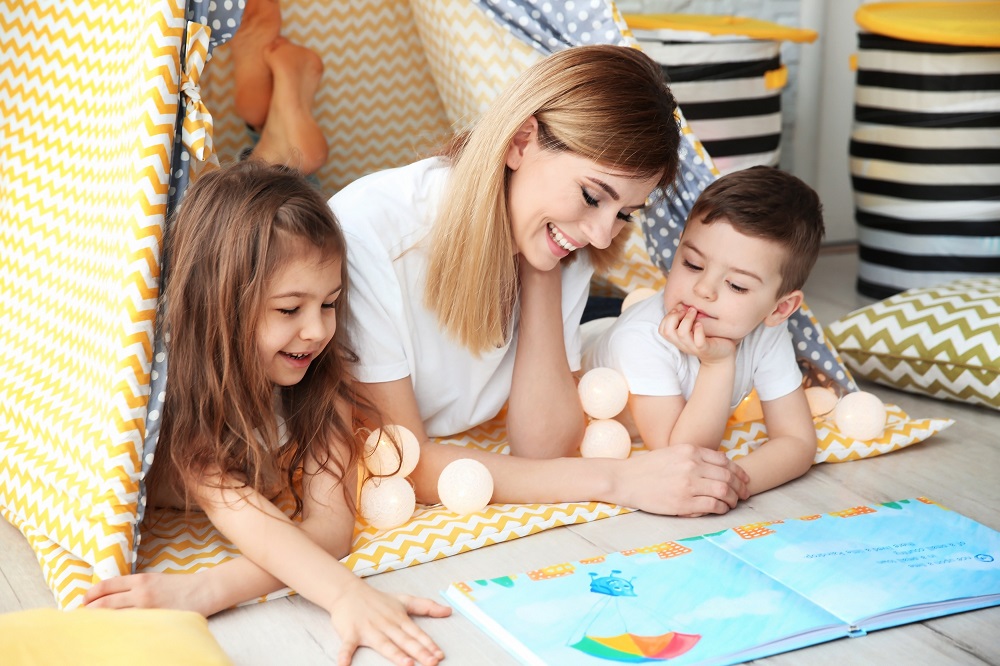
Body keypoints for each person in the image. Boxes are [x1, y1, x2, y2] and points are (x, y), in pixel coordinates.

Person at [330, 44, 750, 518]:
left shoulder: (567, 241)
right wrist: (621, 480)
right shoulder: (370, 233)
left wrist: (542, 268)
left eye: (625, 214)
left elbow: (545, 447)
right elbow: (402, 461)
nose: (600, 232)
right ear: (521, 141)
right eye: (592, 196)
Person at [83, 162, 451, 666]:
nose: (318, 330)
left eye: (329, 303)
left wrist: (209, 588)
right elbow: (237, 507)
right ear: (220, 306)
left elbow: (331, 530)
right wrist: (344, 595)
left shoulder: (321, 383)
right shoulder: (182, 402)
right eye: (289, 309)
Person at [583, 166, 825, 497]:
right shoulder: (639, 341)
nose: (704, 289)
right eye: (693, 264)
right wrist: (718, 365)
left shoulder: (767, 331)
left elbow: (797, 440)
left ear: (779, 309)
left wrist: (735, 482)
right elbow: (680, 455)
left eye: (737, 285)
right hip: (588, 336)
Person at [228, 0, 328, 175]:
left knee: (250, 189)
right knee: (265, 186)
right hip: (286, 193)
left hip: (261, 194)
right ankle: (277, 124)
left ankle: (273, 127)